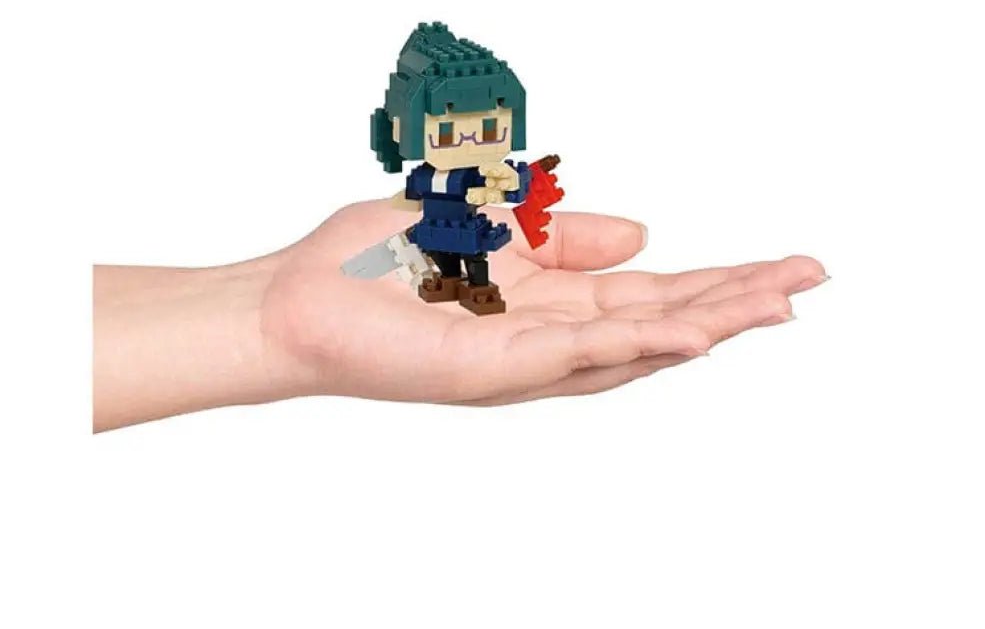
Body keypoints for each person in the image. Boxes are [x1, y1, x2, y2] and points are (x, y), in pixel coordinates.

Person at [92, 197, 827, 431]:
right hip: (431, 247)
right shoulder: (425, 198)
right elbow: (383, 256)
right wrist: (278, 311)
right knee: (432, 262)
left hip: (456, 248)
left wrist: (268, 306)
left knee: (457, 266)